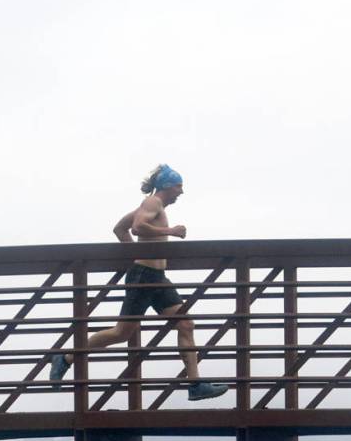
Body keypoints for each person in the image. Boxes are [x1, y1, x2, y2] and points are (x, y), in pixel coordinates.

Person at [49, 164, 227, 401]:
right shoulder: (153, 203)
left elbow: (119, 229)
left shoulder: (151, 205)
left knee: (185, 324)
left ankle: (194, 385)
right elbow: (137, 227)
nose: (181, 192)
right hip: (143, 276)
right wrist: (171, 231)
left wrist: (136, 251)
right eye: (178, 186)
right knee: (122, 333)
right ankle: (66, 358)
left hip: (157, 278)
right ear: (166, 185)